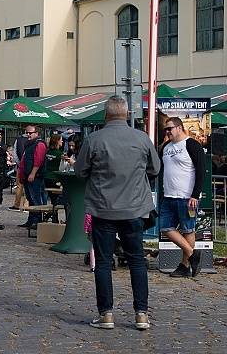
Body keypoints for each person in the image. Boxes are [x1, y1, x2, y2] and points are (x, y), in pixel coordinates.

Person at [75, 96, 160, 331]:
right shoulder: (141, 138)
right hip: (134, 209)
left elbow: (80, 171)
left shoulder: (94, 140)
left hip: (103, 209)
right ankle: (141, 314)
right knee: (136, 261)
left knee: (103, 262)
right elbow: (155, 168)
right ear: (126, 114)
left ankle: (106, 315)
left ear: (106, 115)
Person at [159, 116, 206, 278]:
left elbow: (201, 171)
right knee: (165, 227)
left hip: (187, 197)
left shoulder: (191, 145)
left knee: (187, 229)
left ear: (179, 127)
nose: (167, 132)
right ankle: (192, 253)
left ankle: (185, 265)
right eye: (165, 129)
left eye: (169, 128)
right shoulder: (165, 146)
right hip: (168, 195)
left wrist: (195, 194)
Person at [19, 125, 48, 230]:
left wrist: (33, 173)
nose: (28, 135)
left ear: (37, 133)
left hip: (35, 176)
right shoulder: (30, 144)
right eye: (26, 133)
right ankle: (31, 220)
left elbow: (38, 160)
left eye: (30, 133)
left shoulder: (39, 144)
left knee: (35, 199)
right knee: (30, 199)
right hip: (28, 175)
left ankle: (37, 221)